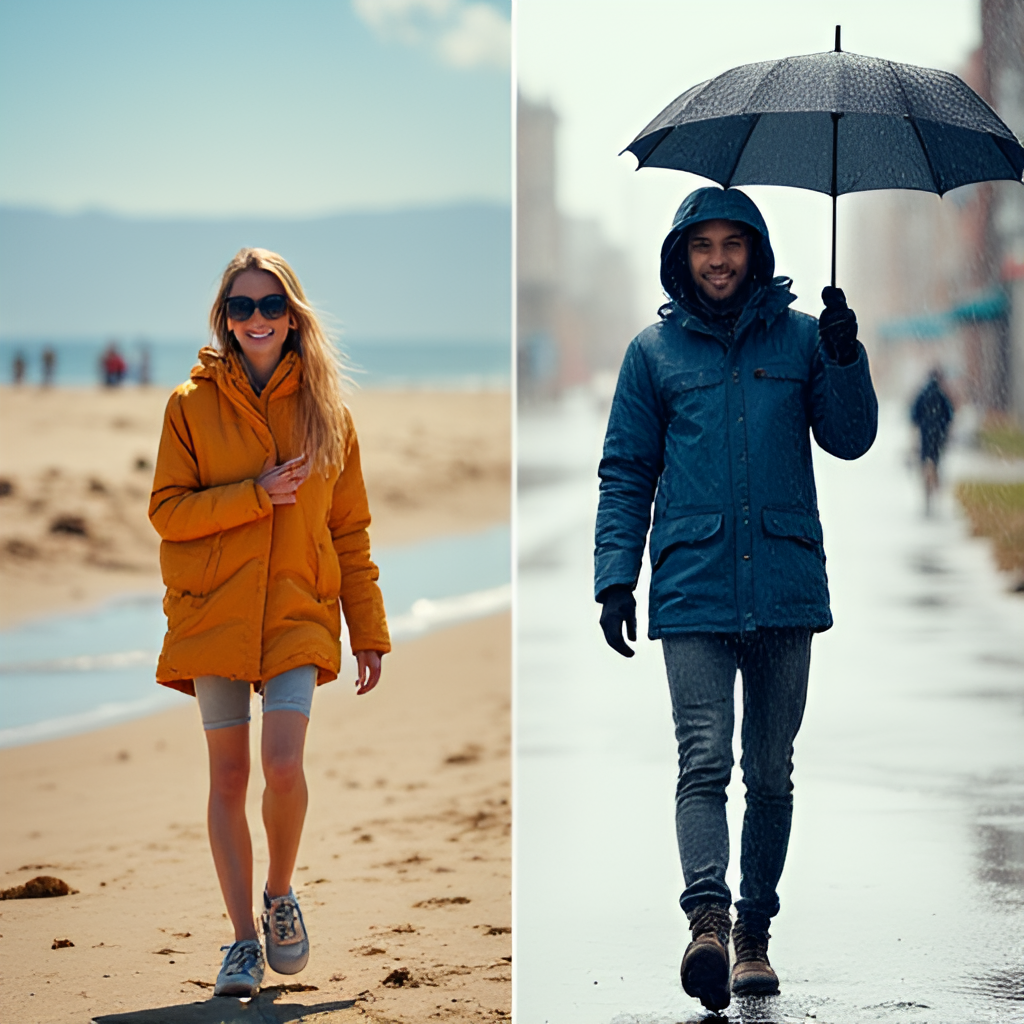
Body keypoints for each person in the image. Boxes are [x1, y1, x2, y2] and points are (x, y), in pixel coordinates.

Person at [594, 187, 877, 1011]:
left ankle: (755, 932)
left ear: (756, 251)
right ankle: (708, 923)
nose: (717, 260)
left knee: (772, 771)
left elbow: (851, 438)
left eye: (732, 244)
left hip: (785, 585)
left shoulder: (801, 341)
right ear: (680, 257)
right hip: (692, 587)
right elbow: (626, 470)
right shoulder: (653, 354)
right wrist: (616, 574)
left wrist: (845, 355)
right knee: (704, 761)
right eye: (701, 246)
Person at [149, 248, 390, 998]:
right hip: (214, 610)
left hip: (296, 610)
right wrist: (253, 495)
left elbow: (350, 533)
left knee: (283, 765)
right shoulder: (188, 405)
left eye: (271, 305)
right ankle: (242, 943)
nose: (258, 319)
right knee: (229, 775)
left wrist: (369, 631)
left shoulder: (330, 414)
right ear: (224, 318)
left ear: (293, 317)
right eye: (243, 307)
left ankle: (279, 894)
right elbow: (166, 511)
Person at [910, 366, 954, 515]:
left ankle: (927, 491)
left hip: (925, 434)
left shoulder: (923, 394)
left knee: (925, 462)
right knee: (935, 462)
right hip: (938, 436)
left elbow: (913, 415)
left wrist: (917, 428)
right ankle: (934, 488)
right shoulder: (942, 395)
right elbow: (950, 415)